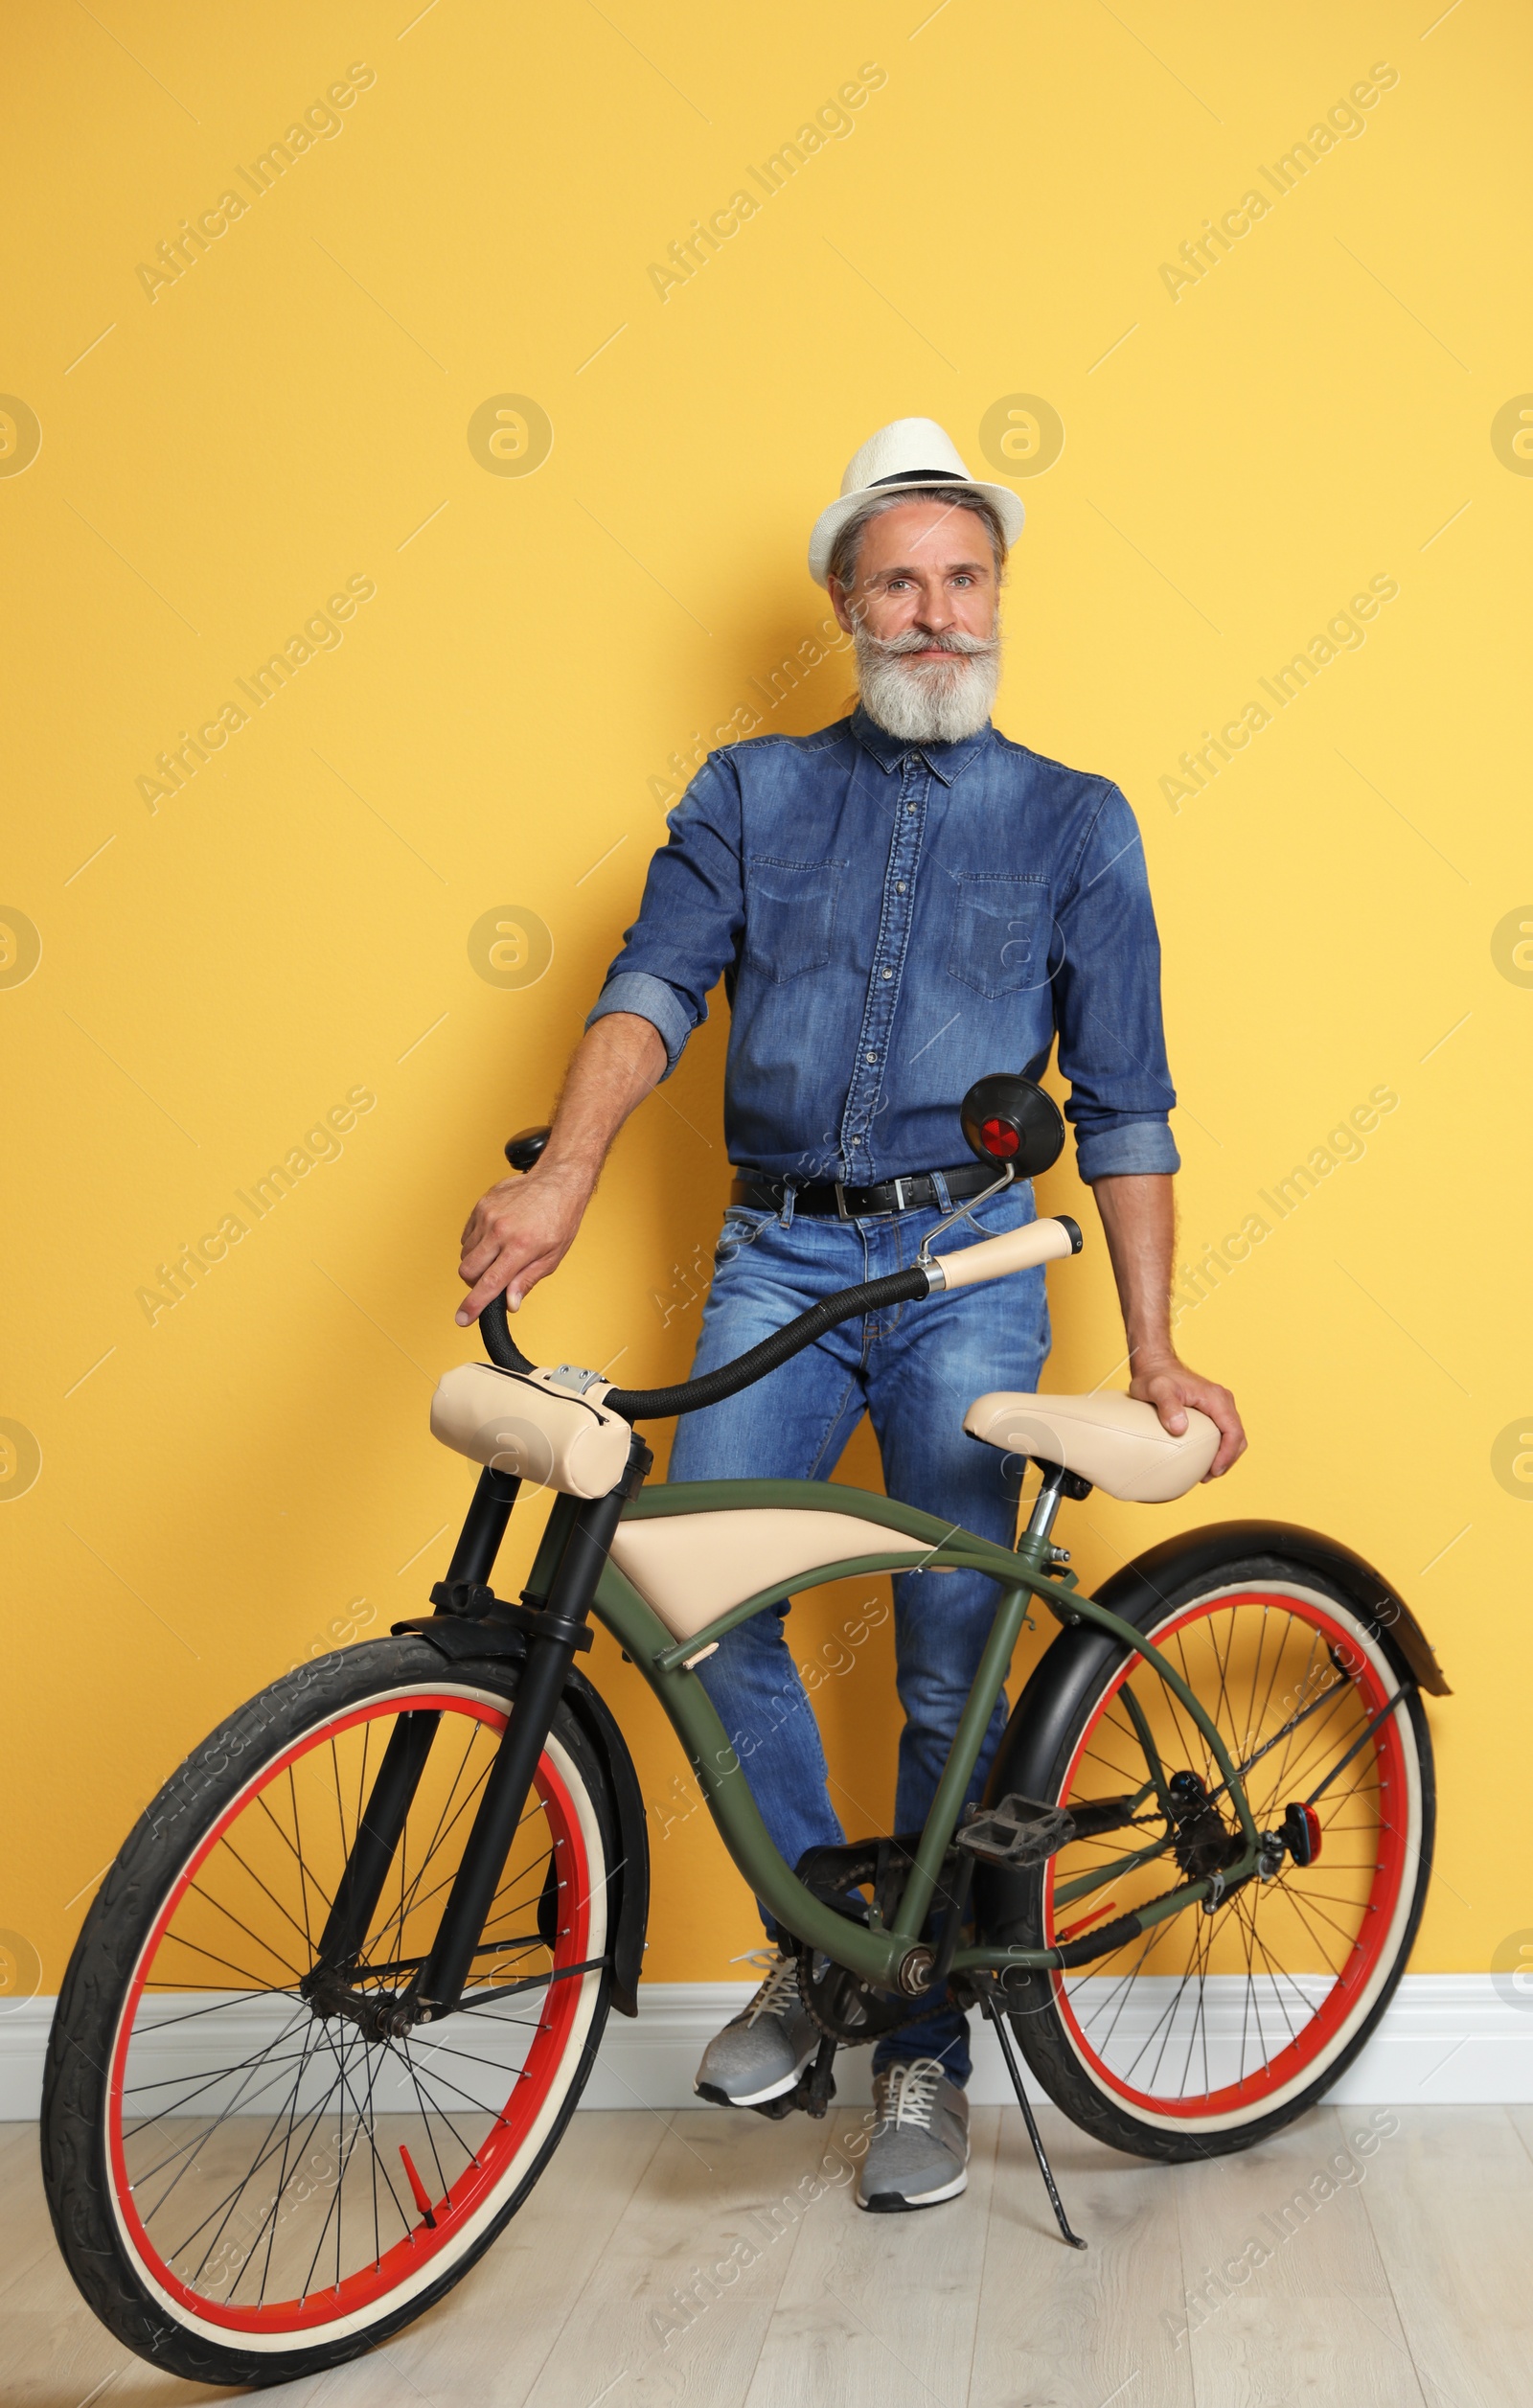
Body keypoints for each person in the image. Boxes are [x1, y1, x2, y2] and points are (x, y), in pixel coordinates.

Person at [456, 417, 1246, 2212]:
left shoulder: (1079, 819)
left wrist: (1151, 1348)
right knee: (692, 1589)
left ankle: (927, 2059)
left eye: (966, 578)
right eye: (900, 578)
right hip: (779, 1261)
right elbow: (650, 983)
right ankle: (836, 1954)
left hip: (971, 1268)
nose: (938, 611)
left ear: (999, 600)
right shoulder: (745, 793)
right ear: (845, 602)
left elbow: (1125, 1106)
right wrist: (568, 1173)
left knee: (953, 1660)